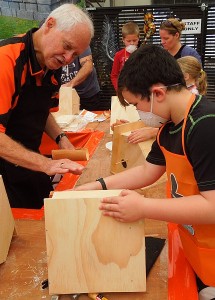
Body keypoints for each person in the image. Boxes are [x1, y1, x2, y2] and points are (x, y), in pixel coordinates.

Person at [75, 44, 215, 298]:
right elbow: (148, 172)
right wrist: (98, 185)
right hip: (193, 241)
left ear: (158, 93)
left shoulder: (204, 126)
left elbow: (212, 207)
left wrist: (143, 208)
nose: (138, 113)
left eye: (136, 104)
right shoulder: (169, 123)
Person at [0, 4, 94, 209]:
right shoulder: (6, 60)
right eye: (67, 46)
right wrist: (45, 164)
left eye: (75, 54)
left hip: (27, 161)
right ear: (50, 25)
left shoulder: (53, 65)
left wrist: (61, 138)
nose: (68, 59)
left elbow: (40, 112)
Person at [61, 46, 102, 111]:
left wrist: (70, 84)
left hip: (87, 94)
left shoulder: (80, 42)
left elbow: (88, 66)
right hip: (65, 95)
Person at [110, 21, 140, 91]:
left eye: (134, 40)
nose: (132, 43)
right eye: (128, 41)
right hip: (123, 90)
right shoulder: (118, 55)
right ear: (123, 40)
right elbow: (114, 75)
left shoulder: (143, 54)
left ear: (138, 38)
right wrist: (119, 89)